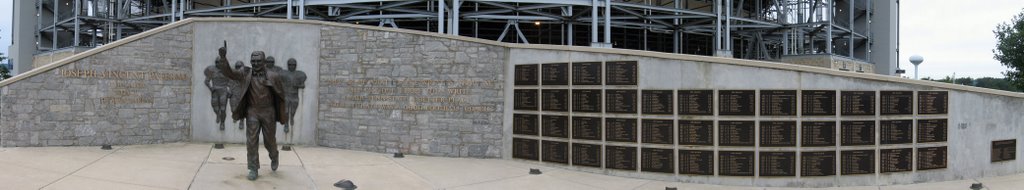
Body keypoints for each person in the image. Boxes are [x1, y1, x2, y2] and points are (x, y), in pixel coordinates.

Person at [215, 41, 289, 180]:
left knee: (269, 141)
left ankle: (274, 155)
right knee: (251, 141)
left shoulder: (273, 76)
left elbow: (281, 96)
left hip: (268, 112)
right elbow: (229, 73)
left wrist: (283, 115)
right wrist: (223, 58)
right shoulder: (245, 73)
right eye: (253, 61)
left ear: (264, 61)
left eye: (258, 61)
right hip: (252, 112)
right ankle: (253, 168)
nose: (255, 63)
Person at [282, 58, 306, 133]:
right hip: (286, 95)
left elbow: (303, 86)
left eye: (293, 65)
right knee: (286, 111)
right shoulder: (283, 73)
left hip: (294, 96)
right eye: (290, 65)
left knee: (292, 111)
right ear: (288, 65)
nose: (291, 66)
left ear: (295, 65)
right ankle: (286, 124)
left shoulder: (300, 74)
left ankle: (292, 117)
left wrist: (297, 85)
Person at [203, 64, 229, 130]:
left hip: (223, 91)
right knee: (215, 106)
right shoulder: (212, 71)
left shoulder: (227, 71)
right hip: (215, 91)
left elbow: (233, 82)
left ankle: (222, 123)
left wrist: (230, 90)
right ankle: (218, 114)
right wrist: (210, 88)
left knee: (223, 109)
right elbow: (206, 81)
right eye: (217, 63)